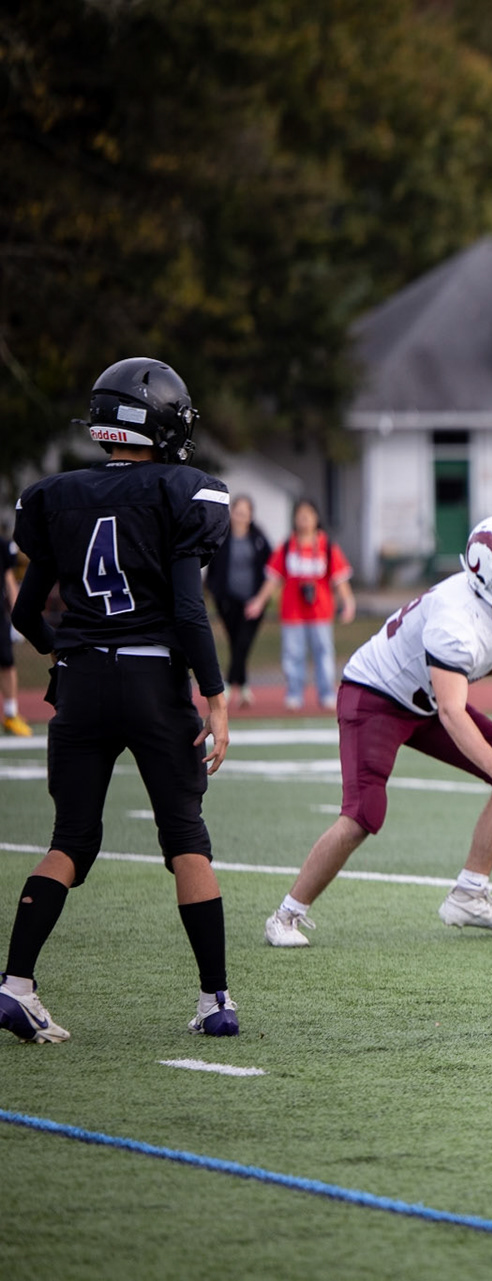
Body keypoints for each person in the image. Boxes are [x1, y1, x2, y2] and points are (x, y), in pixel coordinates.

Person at [1, 358, 236, 1043]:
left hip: (79, 683)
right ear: (158, 420)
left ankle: (15, 984)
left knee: (70, 840)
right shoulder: (181, 490)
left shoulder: (55, 494)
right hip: (151, 681)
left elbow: (22, 613)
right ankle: (214, 1000)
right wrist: (216, 696)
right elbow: (190, 612)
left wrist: (63, 650)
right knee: (186, 838)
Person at [263, 515, 492, 947]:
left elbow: (486, 661)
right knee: (362, 815)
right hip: (376, 697)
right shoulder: (456, 619)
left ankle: (469, 894)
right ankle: (286, 915)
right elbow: (452, 709)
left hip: (426, 698)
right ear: (489, 577)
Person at [253, 498, 354, 711]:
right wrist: (259, 601)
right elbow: (273, 579)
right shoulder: (287, 546)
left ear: (316, 518)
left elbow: (340, 580)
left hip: (320, 613)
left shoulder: (327, 546)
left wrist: (348, 603)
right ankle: (294, 692)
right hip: (292, 613)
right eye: (300, 515)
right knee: (292, 654)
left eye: (309, 515)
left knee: (324, 653)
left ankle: (326, 692)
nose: (305, 519)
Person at [205, 494, 273, 707]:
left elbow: (271, 570)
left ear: (251, 515)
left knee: (243, 643)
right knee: (235, 643)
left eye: (245, 513)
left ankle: (227, 683)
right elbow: (212, 570)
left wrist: (260, 599)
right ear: (231, 513)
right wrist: (217, 594)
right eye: (237, 512)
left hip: (254, 602)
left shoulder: (259, 539)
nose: (241, 517)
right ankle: (243, 687)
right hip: (228, 602)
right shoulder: (222, 537)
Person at [1, 533, 26, 735]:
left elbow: (9, 580)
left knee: (7, 662)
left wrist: (19, 617)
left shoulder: (2, 546)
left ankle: (11, 714)